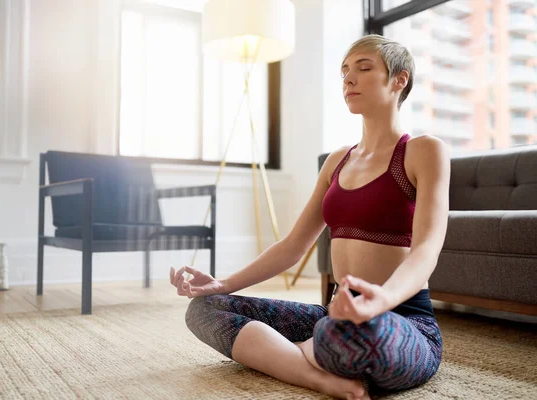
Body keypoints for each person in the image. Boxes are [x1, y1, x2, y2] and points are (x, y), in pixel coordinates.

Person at [170, 34, 450, 400]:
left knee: (339, 335)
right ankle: (320, 376)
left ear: (400, 80)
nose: (349, 79)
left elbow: (427, 249)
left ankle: (296, 352)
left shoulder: (424, 151)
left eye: (363, 69)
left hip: (401, 321)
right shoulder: (338, 161)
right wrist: (222, 284)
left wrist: (378, 301)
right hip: (334, 313)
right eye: (345, 72)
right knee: (204, 310)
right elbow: (292, 247)